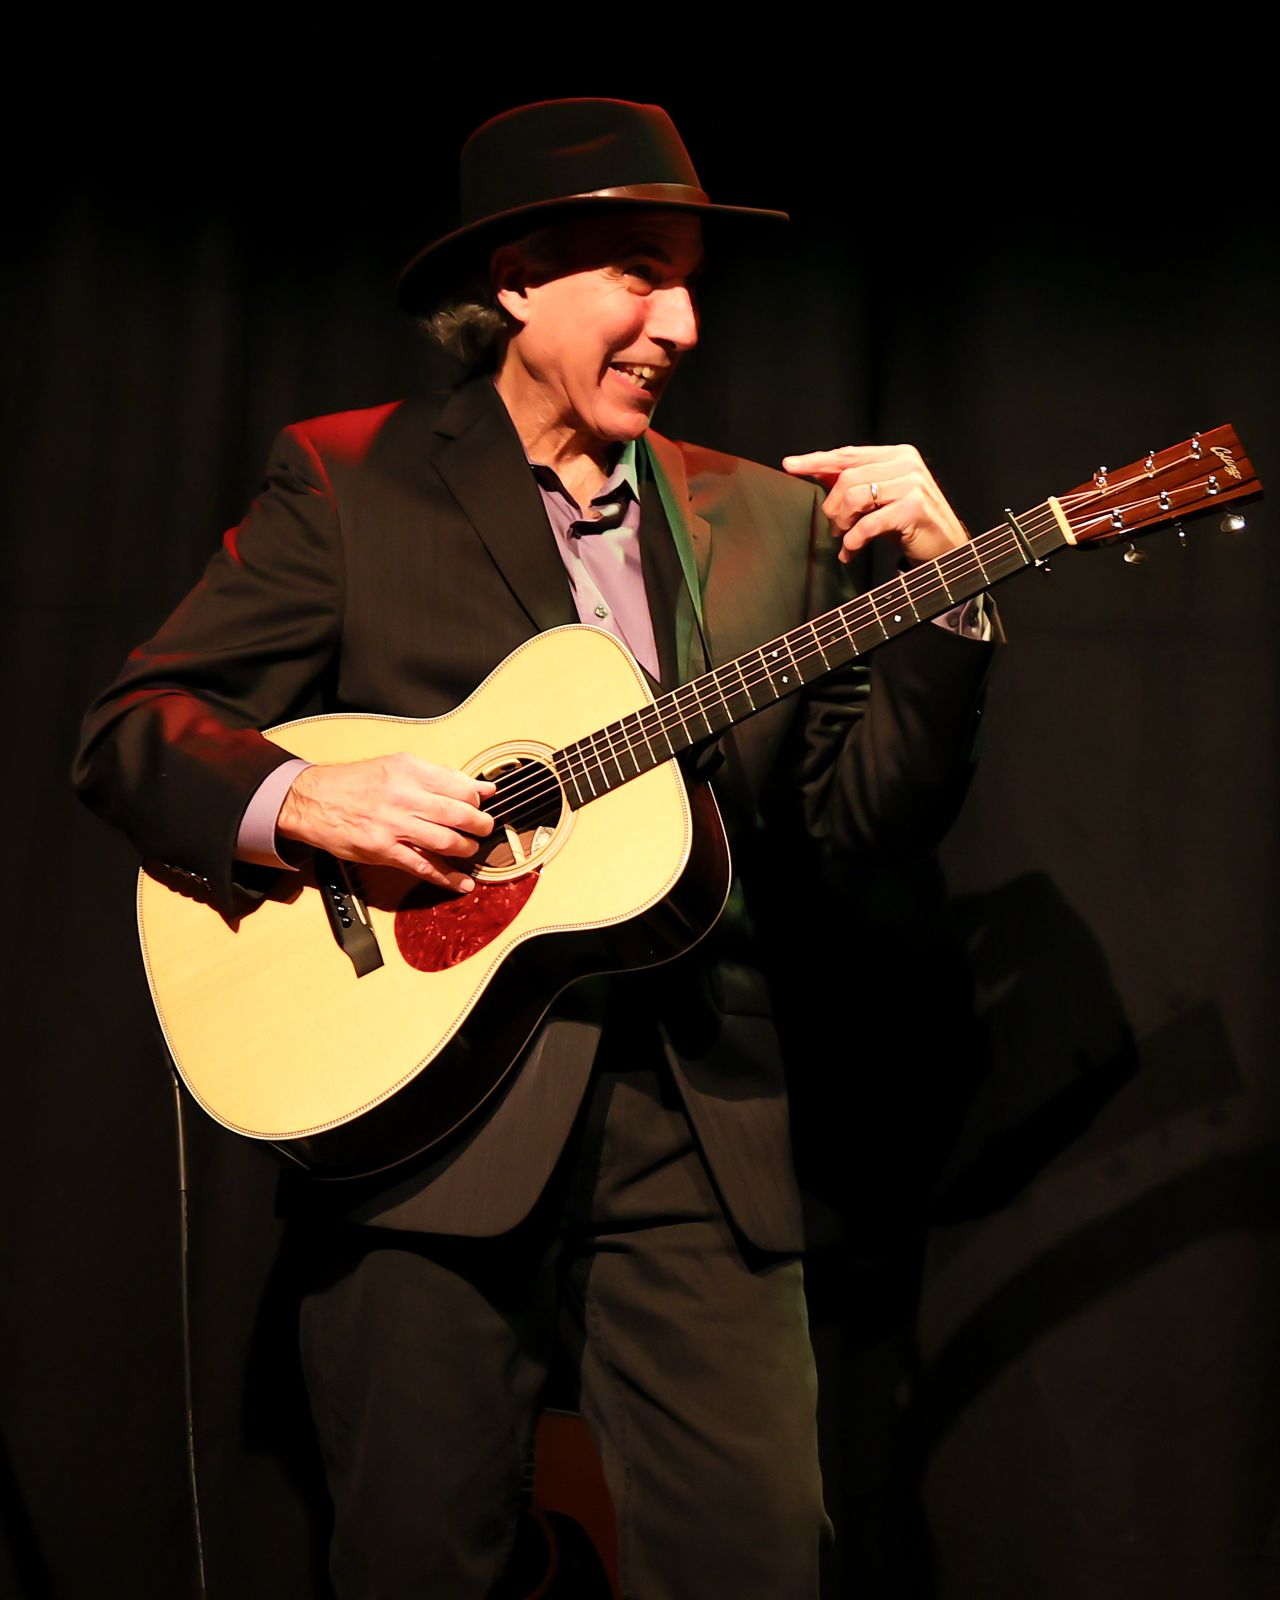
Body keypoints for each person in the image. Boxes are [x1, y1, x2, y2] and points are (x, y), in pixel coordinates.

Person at [74, 99, 995, 1599]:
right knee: (418, 1560)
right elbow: (132, 730)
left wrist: (950, 608)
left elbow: (861, 823)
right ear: (515, 281)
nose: (682, 323)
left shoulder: (769, 522)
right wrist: (304, 799)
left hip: (698, 1120)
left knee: (756, 1560)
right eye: (641, 274)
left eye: (692, 283)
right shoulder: (352, 482)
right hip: (421, 1122)